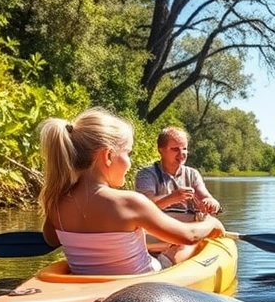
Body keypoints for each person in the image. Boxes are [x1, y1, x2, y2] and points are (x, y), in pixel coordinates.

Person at [39, 108, 224, 275]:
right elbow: (189, 236)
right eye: (128, 153)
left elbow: (51, 240)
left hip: (84, 287)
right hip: (141, 285)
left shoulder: (56, 202)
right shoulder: (130, 203)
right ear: (108, 156)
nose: (129, 163)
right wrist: (212, 223)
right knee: (184, 246)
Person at [135, 125, 221, 215]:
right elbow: (144, 206)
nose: (181, 154)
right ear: (161, 151)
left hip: (190, 225)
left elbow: (204, 196)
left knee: (213, 222)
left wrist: (211, 202)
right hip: (160, 225)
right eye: (175, 149)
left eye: (184, 149)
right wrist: (172, 198)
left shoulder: (192, 174)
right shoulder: (146, 174)